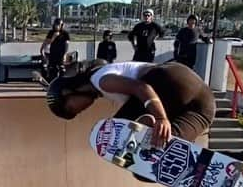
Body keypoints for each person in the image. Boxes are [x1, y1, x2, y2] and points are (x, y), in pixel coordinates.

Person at [46, 59, 216, 147]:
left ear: (69, 91)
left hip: (168, 79)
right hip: (204, 104)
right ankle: (240, 160)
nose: (80, 110)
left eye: (71, 108)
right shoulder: (106, 75)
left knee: (115, 136)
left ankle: (146, 123)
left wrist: (161, 117)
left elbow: (141, 87)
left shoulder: (100, 80)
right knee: (163, 153)